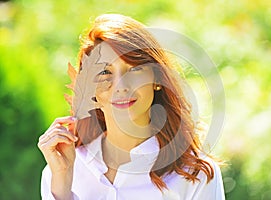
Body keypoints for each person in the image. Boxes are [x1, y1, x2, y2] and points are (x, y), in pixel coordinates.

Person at [38, 13, 225, 200]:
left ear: (157, 78)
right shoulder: (62, 170)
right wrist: (62, 190)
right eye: (104, 72)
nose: (121, 86)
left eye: (135, 69)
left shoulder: (195, 176)